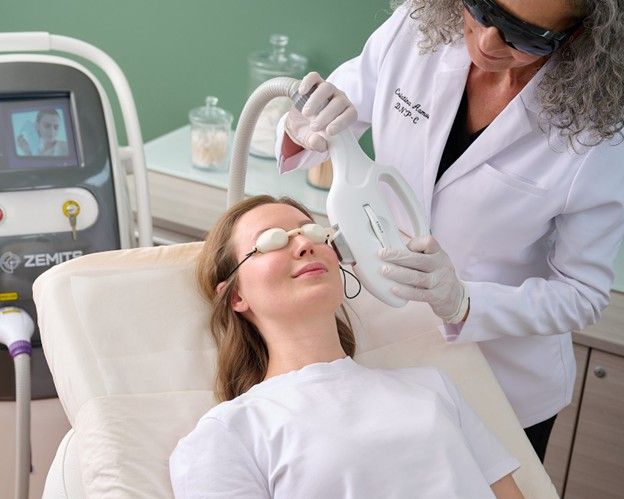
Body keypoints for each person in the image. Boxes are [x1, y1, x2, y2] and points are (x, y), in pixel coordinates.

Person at [275, 0, 624, 462]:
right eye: (482, 9)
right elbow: (335, 117)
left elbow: (582, 293)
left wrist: (463, 302)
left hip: (501, 382)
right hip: (387, 348)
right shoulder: (414, 30)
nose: (486, 42)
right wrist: (302, 127)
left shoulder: (600, 135)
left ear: (577, 37)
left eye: (525, 37)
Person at [169, 195, 524, 499]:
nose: (304, 244)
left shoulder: (432, 387)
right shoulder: (229, 434)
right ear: (236, 295)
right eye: (272, 241)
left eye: (311, 231)